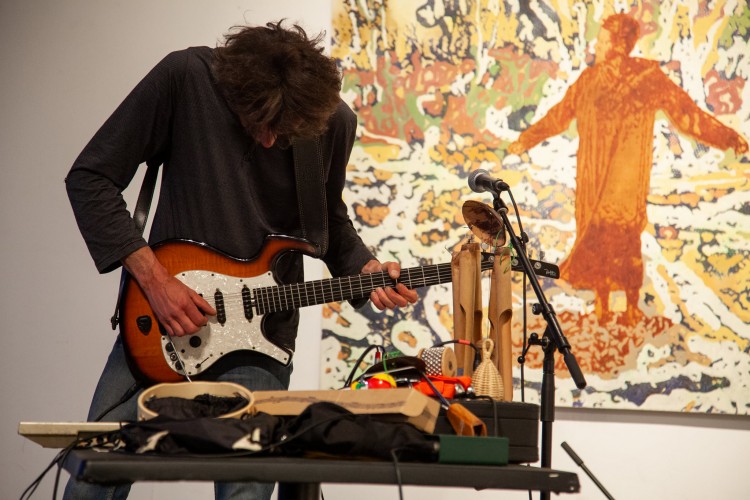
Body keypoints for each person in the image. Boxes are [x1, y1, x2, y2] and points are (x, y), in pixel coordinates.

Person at [63, 20, 418, 500]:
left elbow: (327, 221)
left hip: (261, 337)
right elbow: (90, 177)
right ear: (236, 93)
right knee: (92, 480)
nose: (270, 141)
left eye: (283, 133)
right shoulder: (188, 78)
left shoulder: (331, 121)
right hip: (162, 321)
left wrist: (366, 269)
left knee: (245, 494)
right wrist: (156, 280)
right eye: (258, 124)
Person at [508, 13, 747, 325]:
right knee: (603, 237)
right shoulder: (594, 80)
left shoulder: (643, 78)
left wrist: (727, 137)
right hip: (598, 179)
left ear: (616, 44)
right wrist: (526, 139)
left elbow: (687, 114)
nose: (596, 46)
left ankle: (628, 306)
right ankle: (606, 307)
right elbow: (559, 116)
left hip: (623, 181)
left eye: (602, 41)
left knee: (622, 237)